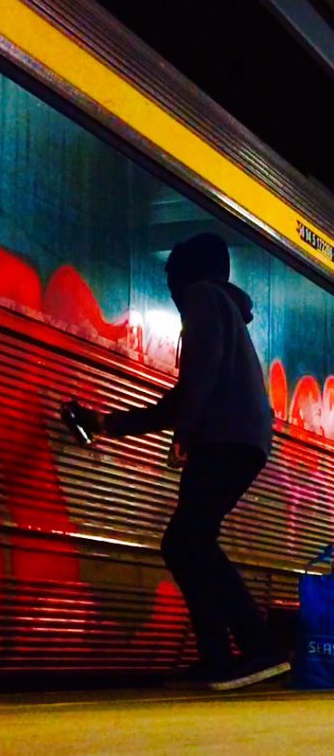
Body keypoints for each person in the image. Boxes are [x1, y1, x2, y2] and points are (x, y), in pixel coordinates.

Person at [69, 231, 291, 691]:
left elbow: (201, 376)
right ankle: (218, 657)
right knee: (186, 542)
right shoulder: (224, 308)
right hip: (240, 436)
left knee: (190, 540)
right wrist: (110, 424)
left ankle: (260, 649)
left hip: (225, 436)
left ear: (191, 271)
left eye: (173, 273)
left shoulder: (203, 297)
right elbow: (185, 394)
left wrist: (185, 434)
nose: (170, 285)